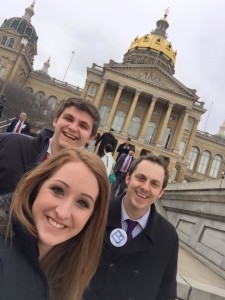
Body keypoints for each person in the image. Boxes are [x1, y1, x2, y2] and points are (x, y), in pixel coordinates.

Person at [0, 148, 110, 300]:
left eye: (83, 203)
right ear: (36, 187)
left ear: (92, 218)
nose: (63, 212)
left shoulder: (73, 275)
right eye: (58, 190)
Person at [84, 154, 179, 300]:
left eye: (154, 184)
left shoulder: (168, 236)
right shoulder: (98, 213)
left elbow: (166, 292)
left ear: (161, 193)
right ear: (128, 178)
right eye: (140, 178)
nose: (145, 187)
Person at [0, 97, 100, 195]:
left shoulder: (86, 182)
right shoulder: (10, 144)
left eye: (83, 126)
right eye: (69, 119)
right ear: (55, 120)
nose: (73, 128)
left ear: (91, 137)